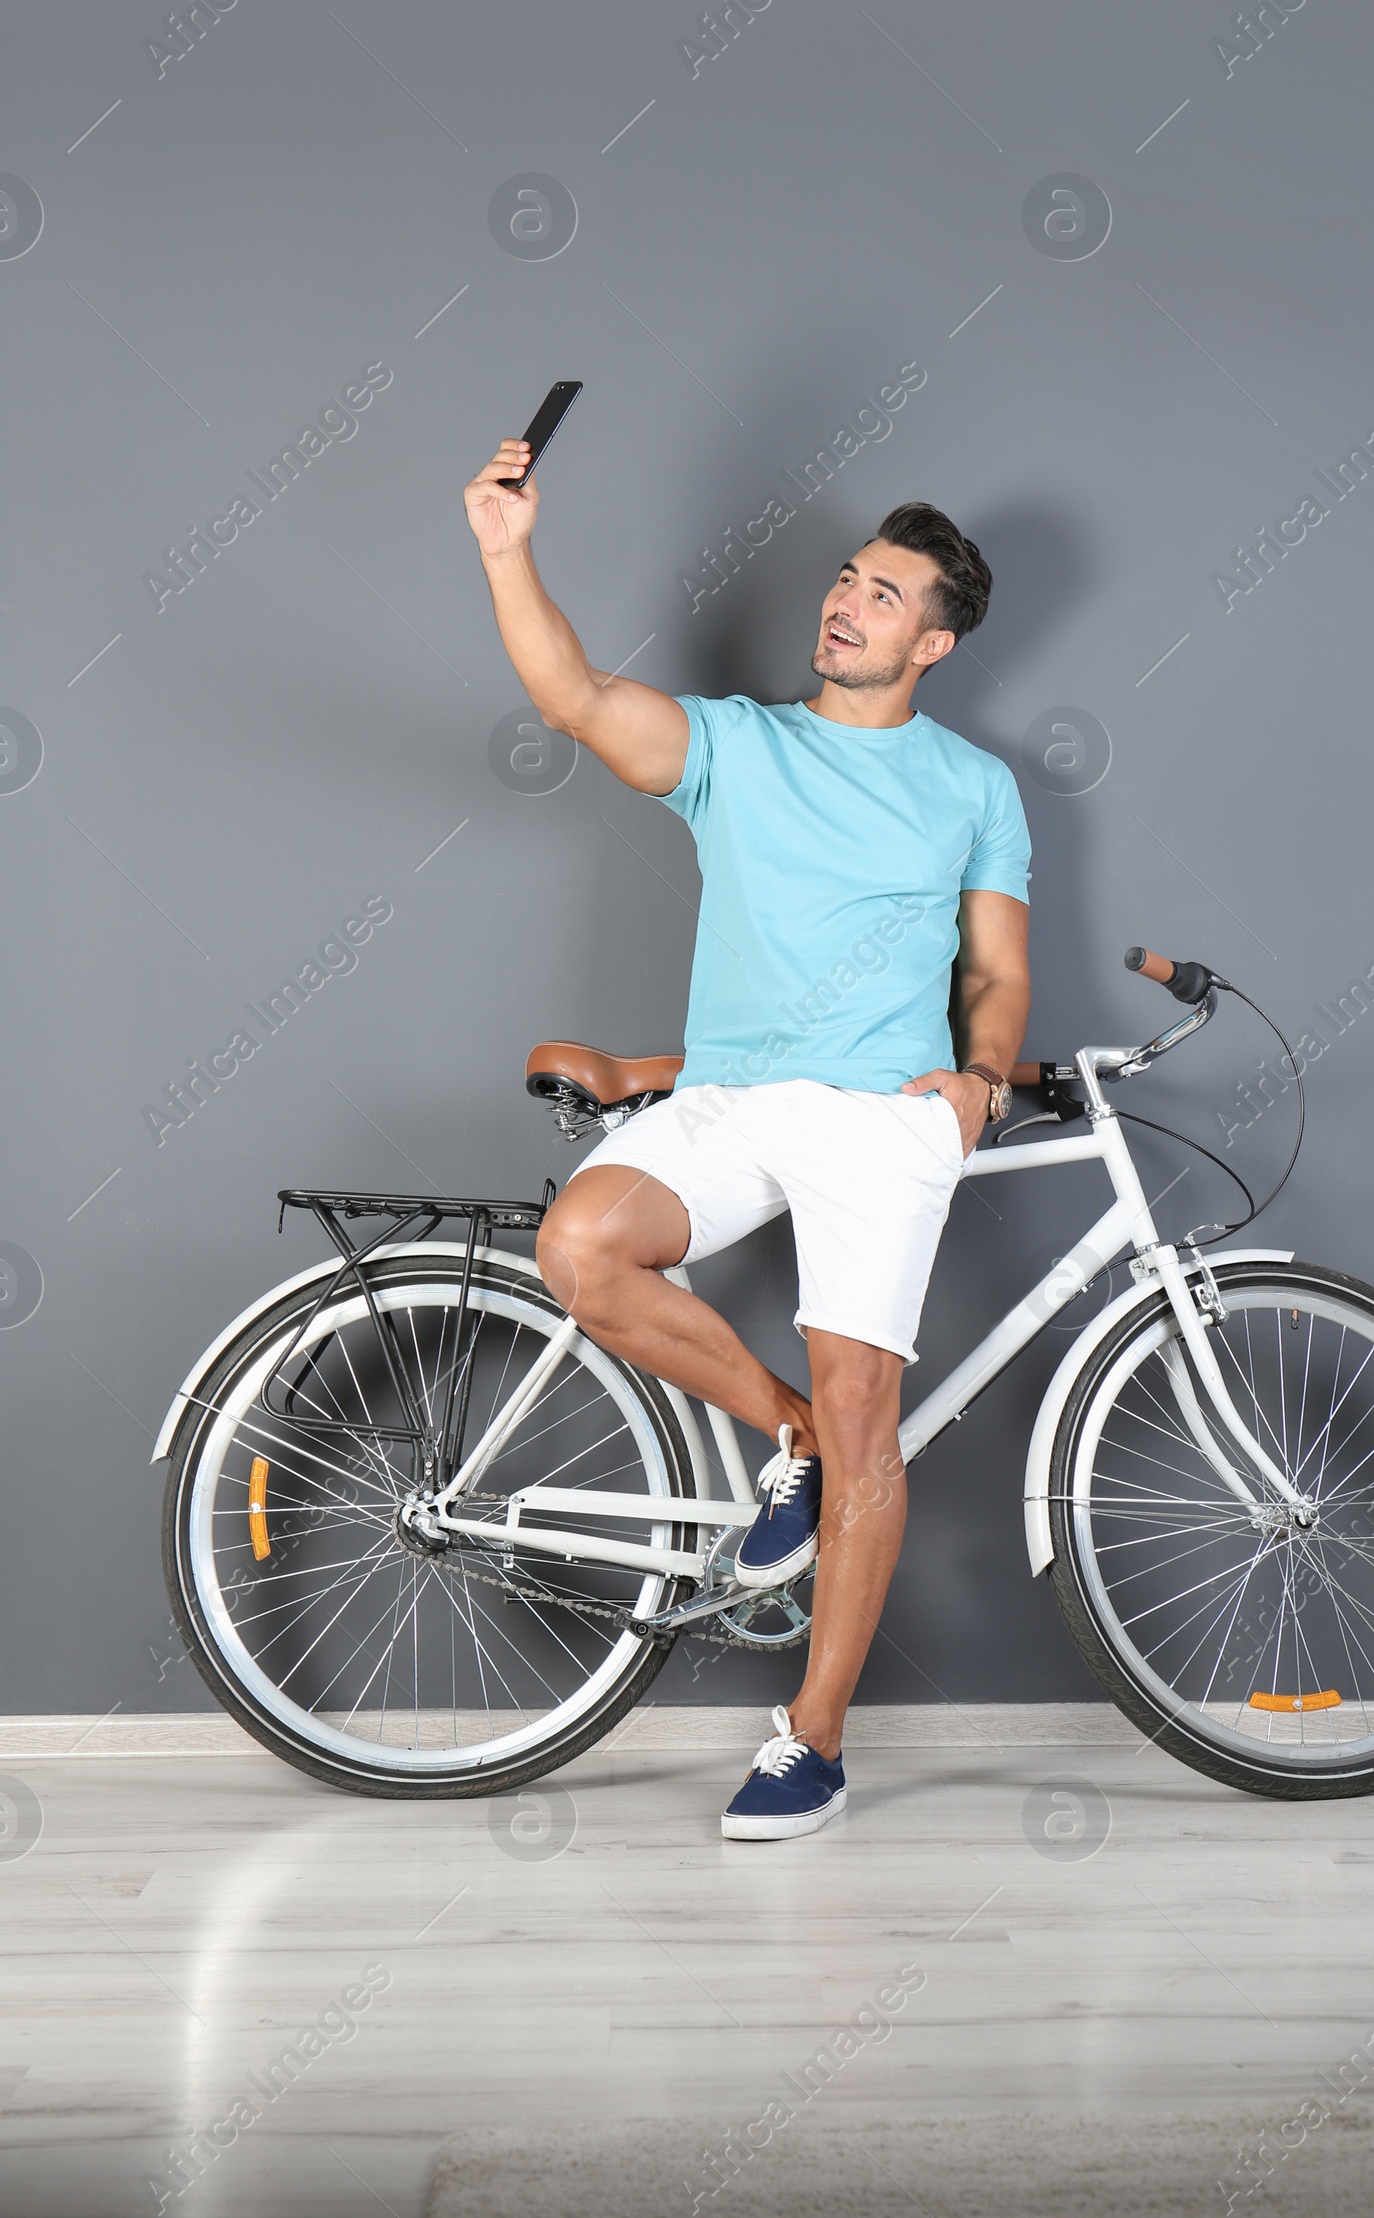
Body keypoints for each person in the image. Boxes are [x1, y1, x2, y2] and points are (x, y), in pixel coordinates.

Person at [465, 440, 1031, 1839]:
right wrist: (502, 547)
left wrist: (984, 1078)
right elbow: (577, 695)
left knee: (867, 1420)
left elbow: (1001, 973)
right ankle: (785, 1438)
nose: (848, 604)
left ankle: (815, 1742)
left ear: (936, 639)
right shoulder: (737, 745)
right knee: (583, 1249)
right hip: (725, 1099)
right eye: (847, 580)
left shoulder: (975, 788)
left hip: (879, 1120)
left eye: (886, 595)